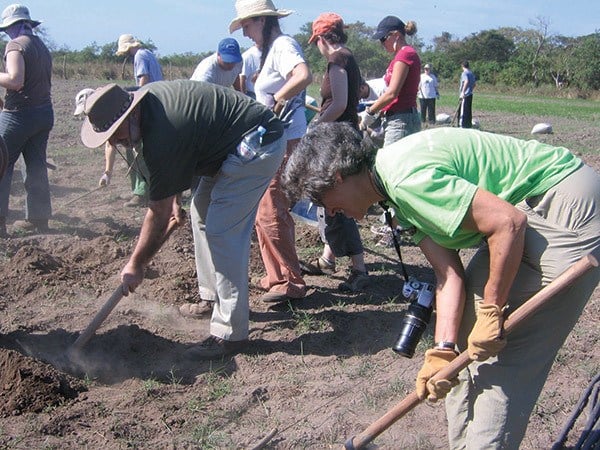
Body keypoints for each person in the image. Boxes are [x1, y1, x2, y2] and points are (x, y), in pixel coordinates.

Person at [282, 122, 600, 448]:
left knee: (500, 361)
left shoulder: (406, 179)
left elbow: (507, 223)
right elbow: (448, 276)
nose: (330, 212)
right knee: (466, 337)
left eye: (324, 201)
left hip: (564, 205)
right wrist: (442, 351)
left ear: (338, 177)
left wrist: (492, 309)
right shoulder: (394, 195)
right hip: (527, 211)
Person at [79, 80, 286, 359]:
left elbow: (159, 212)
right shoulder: (150, 112)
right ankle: (213, 298)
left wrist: (136, 264)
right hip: (228, 144)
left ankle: (231, 334)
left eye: (117, 134)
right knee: (201, 212)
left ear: (131, 114)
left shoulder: (163, 130)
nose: (117, 142)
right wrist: (174, 195)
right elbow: (185, 150)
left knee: (222, 230)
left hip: (258, 141)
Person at [229, 0, 312, 304]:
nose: (245, 33)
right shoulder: (267, 52)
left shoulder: (283, 44)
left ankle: (291, 281)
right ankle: (275, 273)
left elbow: (303, 75)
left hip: (285, 139)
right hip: (274, 141)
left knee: (271, 209)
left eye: (247, 26)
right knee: (265, 209)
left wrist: (276, 99)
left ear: (262, 21)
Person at [300, 12, 368, 292]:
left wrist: (315, 125)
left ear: (320, 38)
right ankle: (329, 259)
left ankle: (359, 269)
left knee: (337, 201)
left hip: (338, 139)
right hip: (343, 135)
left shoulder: (337, 59)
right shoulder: (347, 57)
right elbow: (360, 91)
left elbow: (339, 103)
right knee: (331, 201)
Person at [0, 4, 53, 237]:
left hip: (18, 115)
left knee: (1, 164)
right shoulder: (42, 46)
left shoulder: (16, 45)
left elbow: (15, 80)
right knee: (36, 165)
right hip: (44, 113)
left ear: (13, 26)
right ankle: (39, 219)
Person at [115, 34, 163, 207]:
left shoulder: (140, 56)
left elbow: (144, 82)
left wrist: (134, 103)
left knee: (136, 146)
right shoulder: (148, 53)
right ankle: (143, 188)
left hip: (147, 104)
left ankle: (141, 192)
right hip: (157, 102)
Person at [361, 16, 421, 146]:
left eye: (383, 39)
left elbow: (392, 93)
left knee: (392, 164)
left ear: (396, 35)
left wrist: (370, 112)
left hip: (401, 120)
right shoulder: (398, 56)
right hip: (394, 117)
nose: (381, 43)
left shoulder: (405, 54)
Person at [458, 60, 476, 128]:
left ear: (462, 66)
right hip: (470, 94)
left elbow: (466, 81)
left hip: (465, 94)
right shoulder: (471, 73)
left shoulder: (464, 73)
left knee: (463, 110)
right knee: (468, 110)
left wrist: (463, 92)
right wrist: (470, 90)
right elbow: (474, 84)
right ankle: (468, 124)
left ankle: (462, 124)